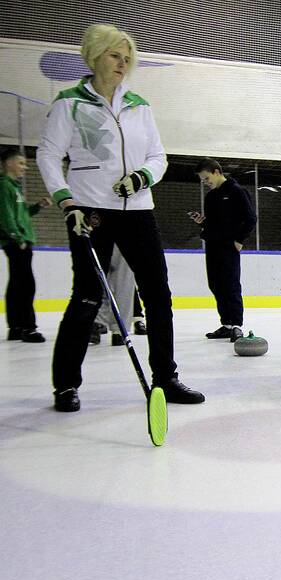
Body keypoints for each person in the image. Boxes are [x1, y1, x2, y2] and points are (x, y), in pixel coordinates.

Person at [37, 23, 204, 412]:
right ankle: (65, 385)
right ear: (95, 56)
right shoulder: (69, 103)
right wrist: (66, 202)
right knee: (87, 296)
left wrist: (142, 176)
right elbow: (48, 155)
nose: (122, 63)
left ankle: (166, 378)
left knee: (158, 296)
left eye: (127, 58)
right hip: (89, 212)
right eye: (115, 55)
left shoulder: (139, 105)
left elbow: (158, 156)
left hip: (139, 211)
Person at [189, 157, 256, 342]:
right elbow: (213, 222)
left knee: (231, 284)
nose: (205, 182)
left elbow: (251, 218)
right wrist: (202, 223)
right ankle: (226, 324)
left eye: (206, 178)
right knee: (216, 284)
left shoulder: (237, 191)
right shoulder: (210, 197)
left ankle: (236, 325)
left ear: (217, 172)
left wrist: (240, 240)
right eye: (202, 180)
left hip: (229, 246)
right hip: (212, 245)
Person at [1, 147, 50, 343]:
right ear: (9, 163)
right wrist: (17, 237)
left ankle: (16, 326)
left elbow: (21, 214)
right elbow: (5, 216)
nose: (25, 167)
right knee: (25, 285)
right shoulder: (4, 185)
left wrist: (38, 206)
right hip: (17, 242)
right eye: (21, 163)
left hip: (19, 240)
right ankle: (28, 327)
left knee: (17, 284)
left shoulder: (13, 187)